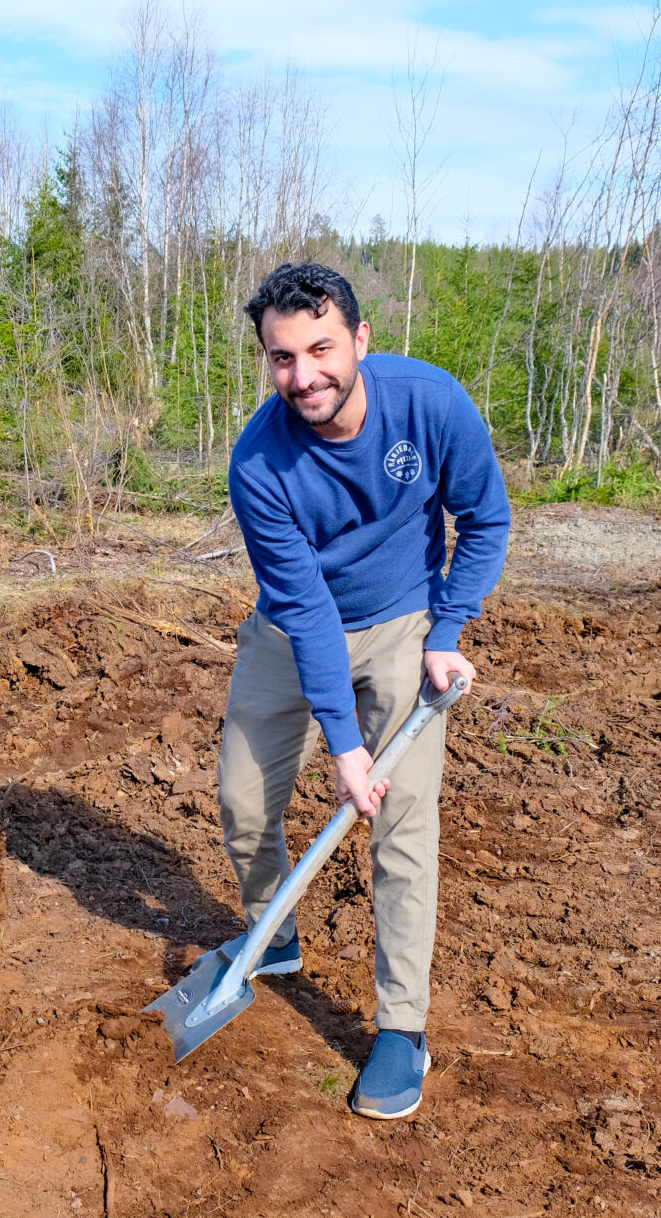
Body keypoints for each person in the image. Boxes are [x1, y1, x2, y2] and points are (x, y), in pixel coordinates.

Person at [214, 262, 509, 1118]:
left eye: (320, 349)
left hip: (402, 625)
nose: (303, 376)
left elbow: (484, 520)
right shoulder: (259, 463)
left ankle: (401, 1029)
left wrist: (448, 632)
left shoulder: (431, 402)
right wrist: (343, 745)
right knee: (242, 803)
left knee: (403, 827)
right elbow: (304, 610)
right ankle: (272, 937)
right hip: (290, 627)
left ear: (361, 340)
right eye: (281, 358)